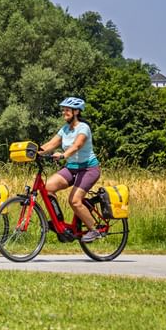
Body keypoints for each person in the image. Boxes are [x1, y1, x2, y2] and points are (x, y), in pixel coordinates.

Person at [39, 97, 103, 243]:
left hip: (88, 169)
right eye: (64, 110)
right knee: (47, 188)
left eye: (67, 110)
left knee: (74, 201)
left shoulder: (83, 127)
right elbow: (50, 144)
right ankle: (59, 223)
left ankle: (94, 230)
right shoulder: (65, 129)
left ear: (76, 111)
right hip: (71, 168)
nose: (64, 112)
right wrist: (34, 152)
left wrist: (63, 155)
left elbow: (77, 146)